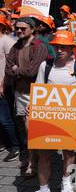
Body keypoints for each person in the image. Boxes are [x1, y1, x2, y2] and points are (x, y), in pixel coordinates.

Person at [30, 31, 76, 192]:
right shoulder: (45, 66)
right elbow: (39, 91)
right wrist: (32, 106)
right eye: (57, 46)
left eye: (63, 46)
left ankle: (66, 184)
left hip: (70, 117)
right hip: (48, 117)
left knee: (69, 152)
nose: (59, 49)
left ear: (71, 48)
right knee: (45, 154)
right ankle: (43, 189)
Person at [5, 16, 48, 177]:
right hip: (20, 92)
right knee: (24, 128)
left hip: (36, 94)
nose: (19, 31)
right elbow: (8, 69)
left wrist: (17, 70)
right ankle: (31, 156)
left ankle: (33, 162)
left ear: (32, 29)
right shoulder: (16, 46)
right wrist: (17, 70)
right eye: (17, 28)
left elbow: (33, 71)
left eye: (23, 28)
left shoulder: (40, 47)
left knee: (33, 129)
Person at [0, 16, 20, 162]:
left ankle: (15, 146)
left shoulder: (7, 41)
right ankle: (5, 143)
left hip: (4, 86)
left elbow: (10, 64)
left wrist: (3, 83)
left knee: (5, 118)